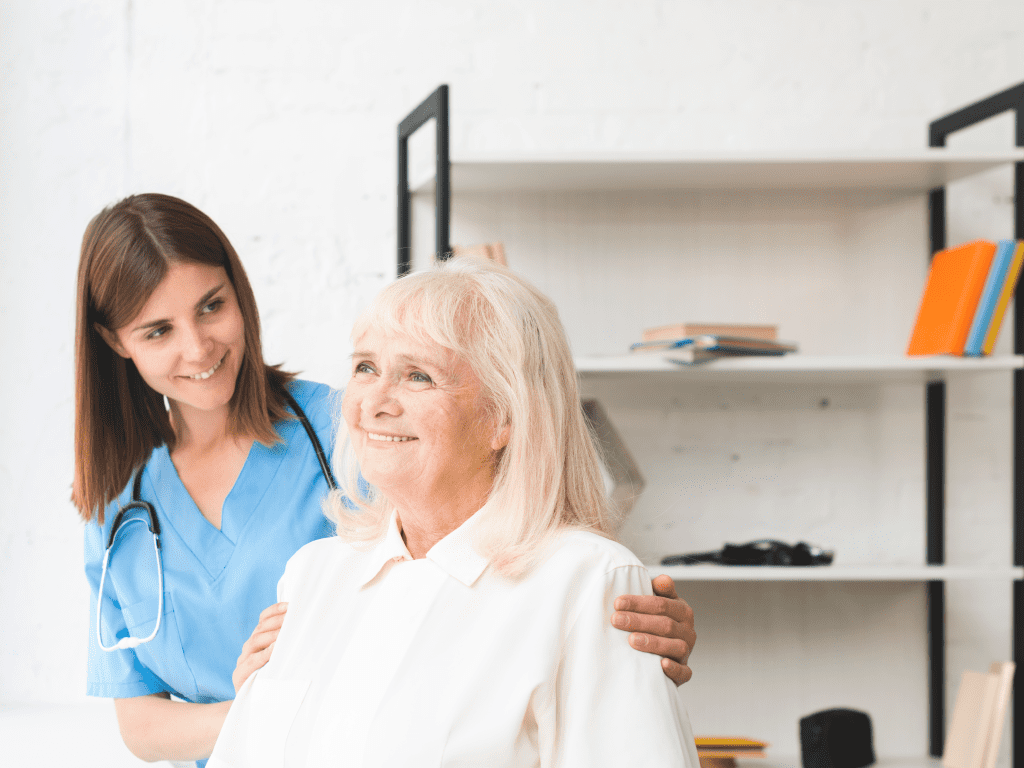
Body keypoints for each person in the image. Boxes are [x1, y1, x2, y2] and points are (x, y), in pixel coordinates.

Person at [75, 194, 697, 767]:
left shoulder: (354, 425)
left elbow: (512, 526)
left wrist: (601, 609)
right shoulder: (137, 508)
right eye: (157, 330)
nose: (198, 346)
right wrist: (271, 701)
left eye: (212, 305)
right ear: (115, 342)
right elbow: (140, 723)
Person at [208, 257, 701, 767]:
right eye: (365, 368)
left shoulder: (587, 583)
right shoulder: (312, 574)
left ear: (504, 417)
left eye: (418, 376)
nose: (375, 401)